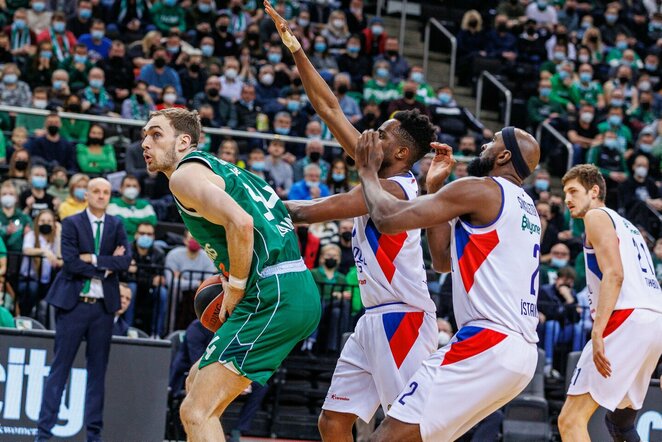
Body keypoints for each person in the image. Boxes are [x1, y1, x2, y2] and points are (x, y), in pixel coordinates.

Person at [265, 4, 438, 440]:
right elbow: (329, 108)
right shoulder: (376, 170)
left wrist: (254, 202)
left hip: (405, 318)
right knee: (334, 421)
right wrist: (296, 47)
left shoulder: (396, 190)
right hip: (373, 317)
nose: (370, 137)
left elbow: (310, 210)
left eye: (381, 134)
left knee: (405, 429)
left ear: (400, 153)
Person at [351, 121, 541, 440]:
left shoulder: (480, 189)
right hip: (521, 355)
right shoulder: (528, 207)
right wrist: (434, 189)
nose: (483, 146)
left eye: (491, 142)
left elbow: (387, 219)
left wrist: (368, 171)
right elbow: (441, 262)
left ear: (504, 155)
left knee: (385, 437)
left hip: (487, 341)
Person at [141, 107, 321, 440]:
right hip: (289, 286)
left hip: (273, 293)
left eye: (155, 134)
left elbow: (242, 223)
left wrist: (236, 287)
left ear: (183, 142)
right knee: (195, 381)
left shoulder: (185, 176)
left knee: (195, 411)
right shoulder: (226, 171)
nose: (145, 144)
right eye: (144, 137)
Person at [558, 164, 662, 442]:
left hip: (625, 318)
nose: (567, 199)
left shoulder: (596, 215)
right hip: (653, 320)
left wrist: (597, 330)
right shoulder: (629, 227)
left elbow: (615, 274)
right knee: (620, 422)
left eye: (573, 191)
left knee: (571, 420)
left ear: (594, 191)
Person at [36, 178, 131, 442]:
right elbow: (70, 264)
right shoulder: (71, 223)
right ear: (86, 195)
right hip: (74, 304)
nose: (101, 196)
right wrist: (105, 266)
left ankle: (94, 436)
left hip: (103, 308)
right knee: (60, 368)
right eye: (96, 191)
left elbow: (125, 261)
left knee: (97, 373)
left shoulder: (117, 224)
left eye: (106, 192)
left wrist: (92, 258)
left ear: (110, 196)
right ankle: (43, 434)